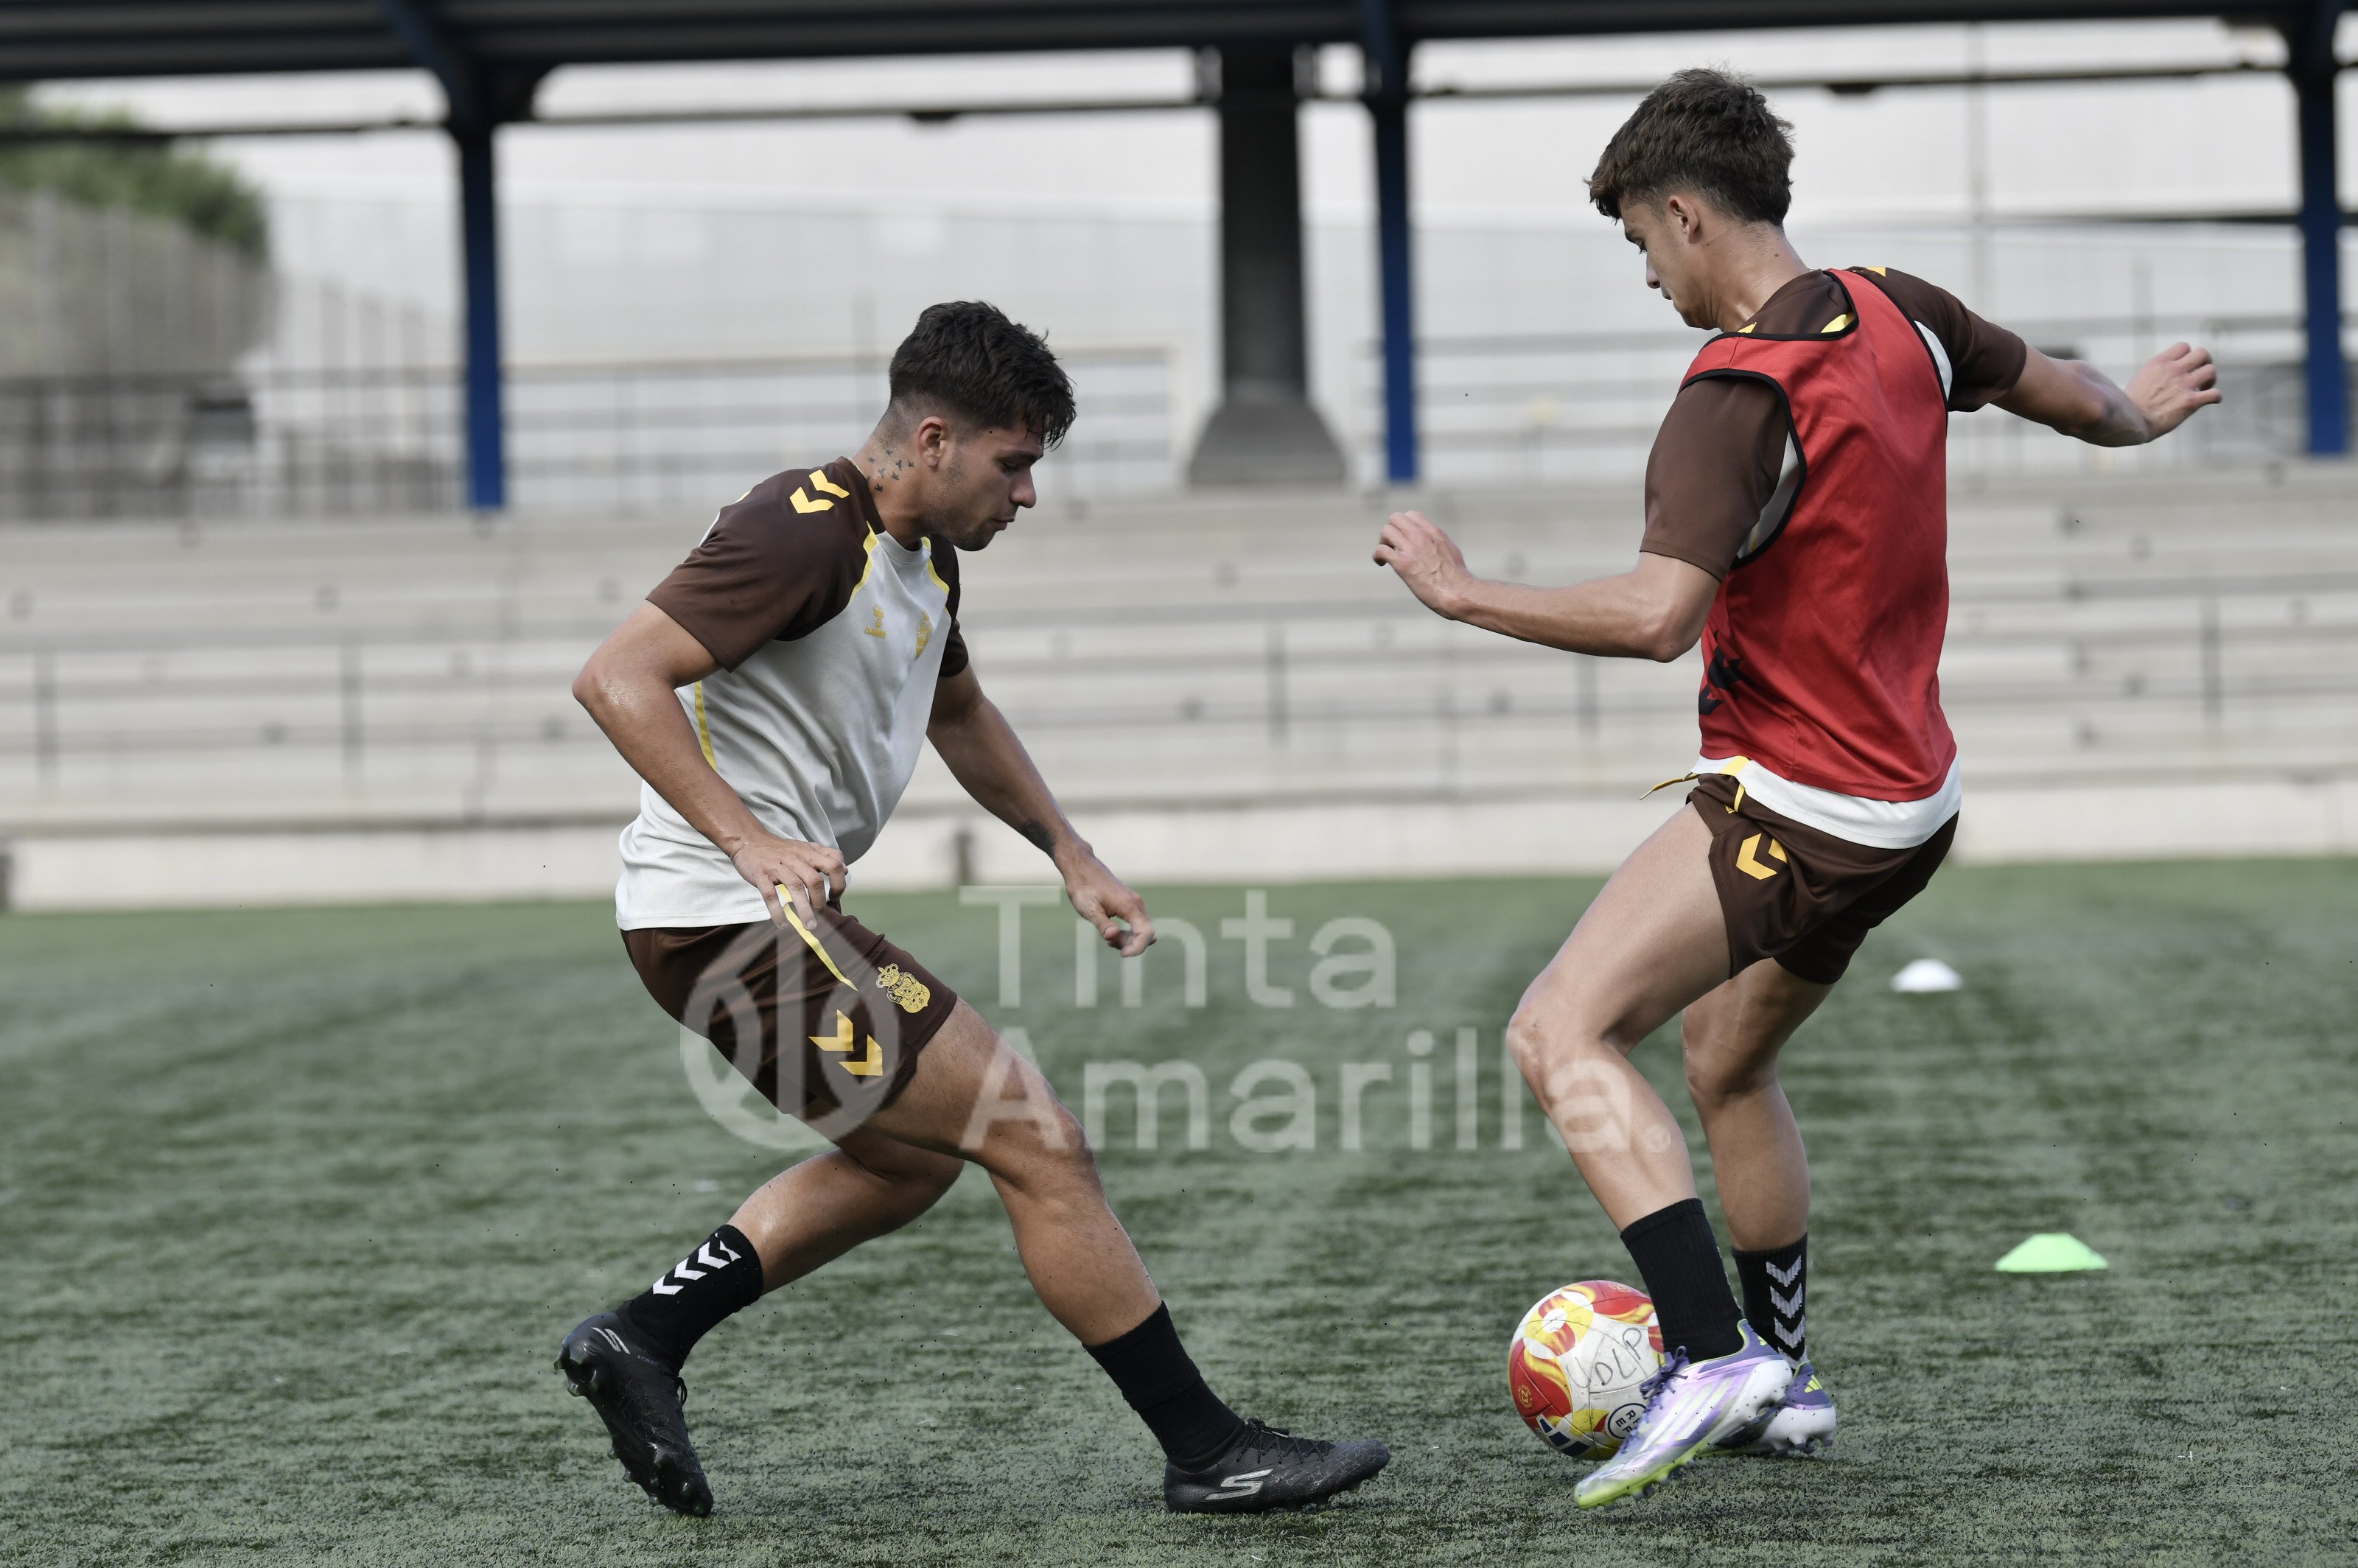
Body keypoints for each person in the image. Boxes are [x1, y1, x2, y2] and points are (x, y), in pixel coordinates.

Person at [1374, 70, 2218, 1509]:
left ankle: (1710, 1357)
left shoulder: (1730, 396)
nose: (1648, 274)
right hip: (1913, 805)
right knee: (1725, 1060)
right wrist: (2137, 414)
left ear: (1686, 211)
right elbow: (2070, 393)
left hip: (1802, 803)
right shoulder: (1899, 308)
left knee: (1557, 1030)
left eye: (1641, 242)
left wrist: (1464, 596)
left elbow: (1657, 617)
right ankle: (1785, 1379)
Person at [560, 301, 1388, 1517]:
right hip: (731, 918)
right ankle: (1210, 1452)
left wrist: (1071, 853)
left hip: (750, 919)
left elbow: (959, 714)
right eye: (1015, 464)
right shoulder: (801, 529)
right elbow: (615, 677)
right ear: (934, 441)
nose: (1028, 493)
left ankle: (642, 1338)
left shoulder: (925, 555)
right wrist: (751, 842)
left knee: (904, 1167)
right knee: (1037, 1139)